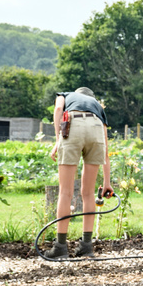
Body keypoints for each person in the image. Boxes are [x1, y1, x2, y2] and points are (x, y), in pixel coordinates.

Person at [45, 86, 113, 259]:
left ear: (77, 94)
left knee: (65, 192)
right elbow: (105, 149)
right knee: (88, 193)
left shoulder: (65, 95)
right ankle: (86, 247)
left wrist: (59, 139)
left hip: (73, 124)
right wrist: (107, 183)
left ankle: (60, 247)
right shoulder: (97, 107)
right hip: (96, 129)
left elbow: (59, 109)